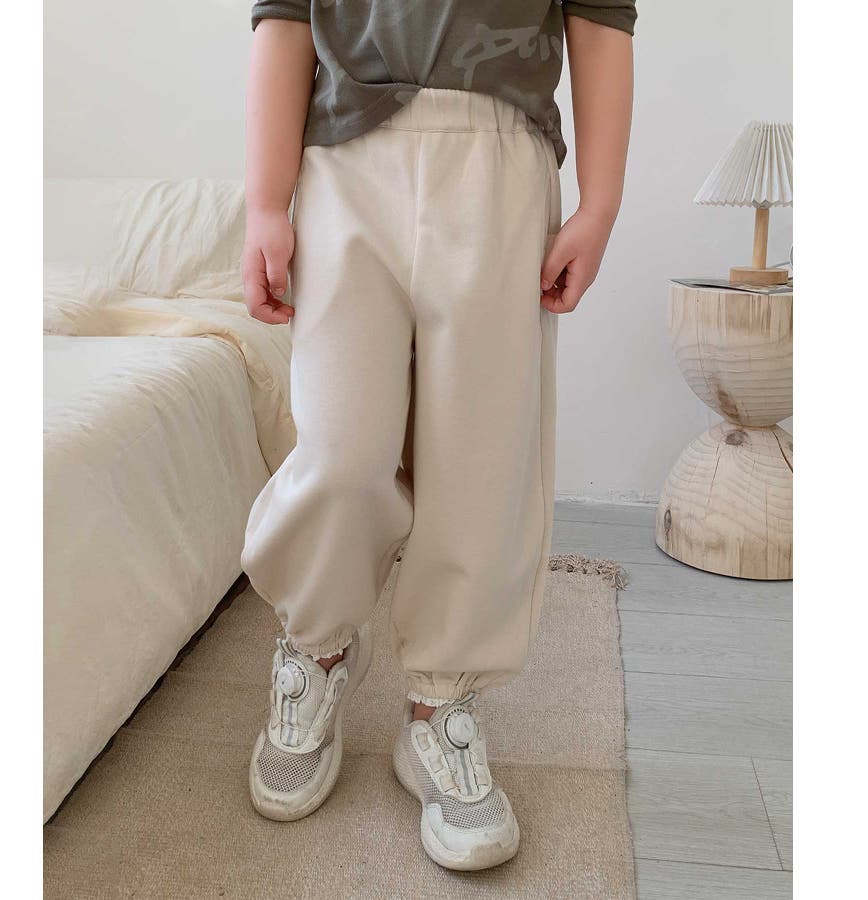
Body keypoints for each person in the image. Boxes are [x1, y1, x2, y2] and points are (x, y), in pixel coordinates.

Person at [240, 0, 635, 872]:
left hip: (502, 155)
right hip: (344, 158)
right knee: (340, 451)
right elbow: (287, 18)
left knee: (480, 458)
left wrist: (600, 204)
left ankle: (440, 705)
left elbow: (601, 16)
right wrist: (265, 201)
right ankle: (318, 648)